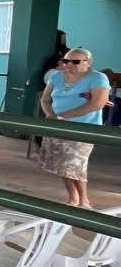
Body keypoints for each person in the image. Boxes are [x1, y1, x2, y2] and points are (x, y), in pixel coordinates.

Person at [38, 47, 110, 208]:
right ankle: (73, 198)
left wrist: (62, 116)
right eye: (66, 61)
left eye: (75, 61)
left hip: (84, 129)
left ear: (88, 62)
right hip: (58, 127)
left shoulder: (98, 78)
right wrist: (50, 115)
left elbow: (97, 104)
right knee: (63, 164)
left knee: (75, 163)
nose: (69, 64)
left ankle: (84, 200)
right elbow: (45, 99)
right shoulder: (56, 76)